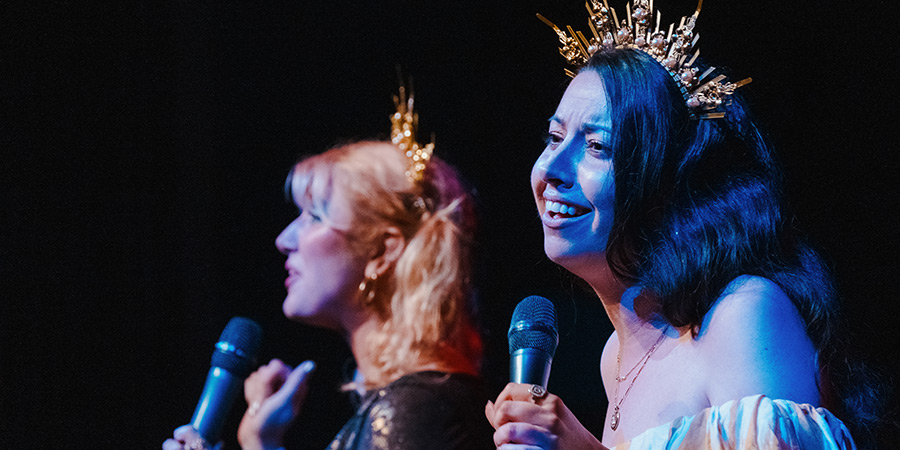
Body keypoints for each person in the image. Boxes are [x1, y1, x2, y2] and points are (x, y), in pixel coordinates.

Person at [486, 1, 876, 448]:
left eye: (597, 146)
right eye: (554, 138)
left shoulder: (742, 314)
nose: (552, 168)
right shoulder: (615, 354)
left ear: (669, 183)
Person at [164, 91, 495, 449]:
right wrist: (262, 442)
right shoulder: (410, 401)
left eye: (314, 217)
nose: (284, 239)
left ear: (383, 250)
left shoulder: (414, 408)